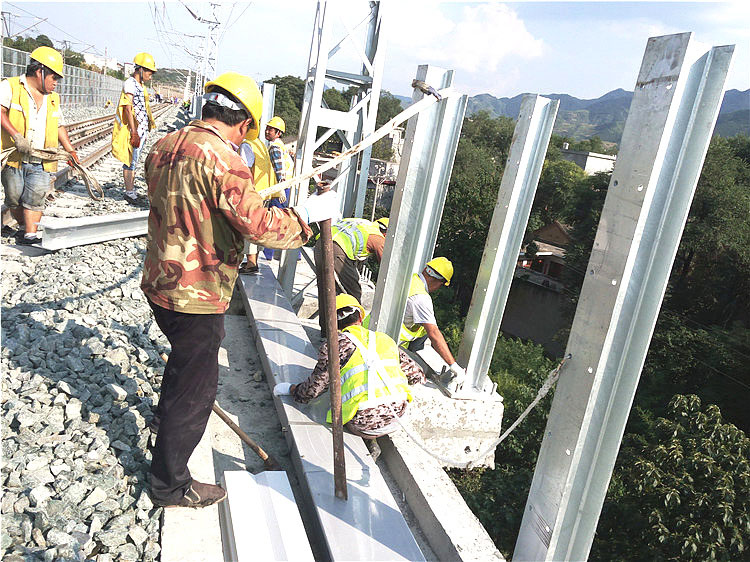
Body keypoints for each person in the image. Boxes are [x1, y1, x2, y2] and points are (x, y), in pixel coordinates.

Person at [141, 71, 338, 508]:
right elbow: (259, 224)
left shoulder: (166, 144)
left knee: (183, 360)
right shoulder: (226, 160)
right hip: (198, 292)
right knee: (197, 387)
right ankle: (169, 484)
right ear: (245, 123)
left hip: (160, 280)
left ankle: (162, 420)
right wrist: (305, 220)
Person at [274, 294, 424, 456]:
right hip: (398, 416)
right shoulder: (384, 339)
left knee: (325, 400)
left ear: (333, 323)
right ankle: (372, 440)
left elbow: (312, 391)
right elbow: (417, 376)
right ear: (360, 317)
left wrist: (293, 390)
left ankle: (369, 440)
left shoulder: (335, 345)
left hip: (363, 423)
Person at [1, 46, 80, 245]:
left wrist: (70, 149)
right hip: (14, 159)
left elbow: (59, 125)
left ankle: (30, 235)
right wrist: (17, 136)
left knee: (36, 197)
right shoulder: (10, 86)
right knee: (14, 197)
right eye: (54, 77)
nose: (56, 83)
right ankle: (22, 227)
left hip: (41, 160)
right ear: (40, 71)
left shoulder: (53, 99)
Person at [314, 216, 389, 334]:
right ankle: (351, 334)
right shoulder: (379, 239)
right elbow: (388, 269)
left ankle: (327, 332)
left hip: (322, 244)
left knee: (327, 290)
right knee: (351, 294)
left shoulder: (363, 224)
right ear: (386, 234)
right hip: (335, 251)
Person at [400, 257, 466, 383]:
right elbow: (434, 334)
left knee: (422, 330)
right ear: (437, 281)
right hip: (387, 342)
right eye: (441, 285)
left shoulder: (410, 278)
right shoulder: (421, 298)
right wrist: (454, 366)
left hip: (373, 329)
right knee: (420, 372)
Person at [111, 52, 156, 206]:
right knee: (130, 162)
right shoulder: (130, 84)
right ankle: (129, 192)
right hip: (134, 131)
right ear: (141, 69)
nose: (151, 75)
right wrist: (134, 132)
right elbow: (128, 108)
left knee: (134, 161)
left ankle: (131, 191)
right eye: (149, 72)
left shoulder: (140, 86)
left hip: (141, 130)